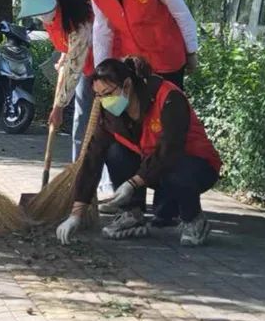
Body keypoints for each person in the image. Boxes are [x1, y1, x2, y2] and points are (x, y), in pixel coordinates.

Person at [55, 57, 221, 246]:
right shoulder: (110, 113)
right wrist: (76, 214)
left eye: (108, 93)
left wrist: (133, 183)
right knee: (114, 151)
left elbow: (169, 150)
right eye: (99, 96)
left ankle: (194, 220)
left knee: (175, 170)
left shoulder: (168, 98)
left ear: (127, 85)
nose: (104, 101)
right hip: (153, 169)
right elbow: (93, 157)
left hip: (195, 166)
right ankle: (131, 213)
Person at [17, 0, 112, 194]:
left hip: (106, 71)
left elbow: (75, 64)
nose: (42, 16)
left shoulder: (80, 16)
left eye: (43, 9)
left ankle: (108, 186)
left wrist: (59, 107)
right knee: (80, 124)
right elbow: (68, 51)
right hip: (85, 70)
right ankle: (79, 179)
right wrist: (63, 58)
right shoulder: (50, 18)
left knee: (106, 127)